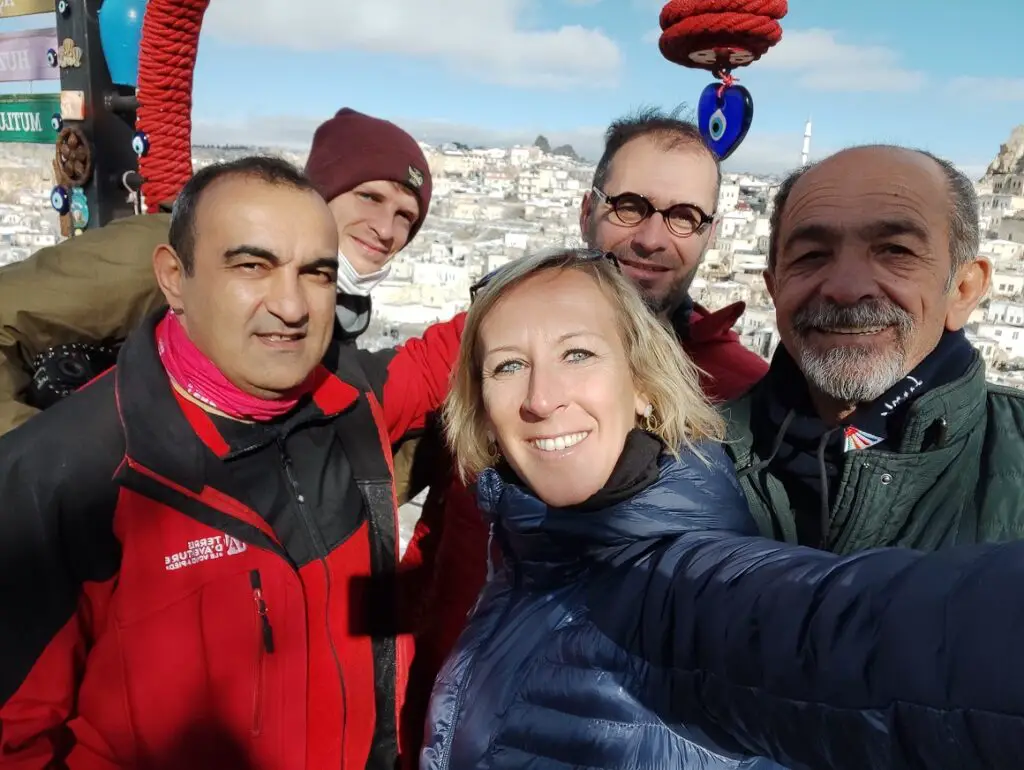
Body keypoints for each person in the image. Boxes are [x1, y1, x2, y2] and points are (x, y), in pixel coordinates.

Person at [422, 246, 1024, 770]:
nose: (541, 398)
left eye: (577, 354)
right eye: (508, 365)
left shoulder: (678, 588)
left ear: (641, 386)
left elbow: (864, 634)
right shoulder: (531, 552)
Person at [0, 156, 462, 770]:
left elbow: (441, 358)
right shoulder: (64, 474)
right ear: (173, 277)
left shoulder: (352, 400)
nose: (292, 306)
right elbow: (17, 736)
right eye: (252, 266)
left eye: (317, 274)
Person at [401, 109, 769, 744]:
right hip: (447, 715)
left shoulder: (739, 389)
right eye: (630, 206)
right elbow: (354, 406)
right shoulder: (487, 337)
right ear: (586, 210)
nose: (653, 238)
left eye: (684, 217)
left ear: (710, 235)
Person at [0, 107, 433, 454]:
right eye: (370, 197)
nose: (386, 228)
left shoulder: (342, 312)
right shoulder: (180, 250)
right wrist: (52, 478)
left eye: (405, 217)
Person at [721, 144, 1024, 550]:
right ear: (774, 290)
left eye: (895, 251)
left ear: (964, 290)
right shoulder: (697, 455)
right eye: (811, 255)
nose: (846, 289)